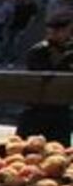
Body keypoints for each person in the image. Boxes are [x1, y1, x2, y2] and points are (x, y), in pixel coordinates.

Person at [16, 11, 72, 144]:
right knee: (26, 148)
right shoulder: (39, 51)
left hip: (61, 111)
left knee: (60, 151)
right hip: (37, 110)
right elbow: (43, 79)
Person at [3, 0, 38, 65]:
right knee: (8, 42)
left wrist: (26, 29)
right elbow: (13, 14)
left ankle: (12, 60)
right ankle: (3, 59)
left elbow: (32, 19)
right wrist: (9, 24)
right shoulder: (20, 4)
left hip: (22, 27)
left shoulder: (33, 6)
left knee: (16, 43)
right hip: (13, 25)